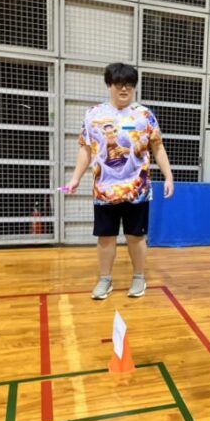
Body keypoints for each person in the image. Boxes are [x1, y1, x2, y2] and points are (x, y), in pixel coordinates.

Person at [66, 63, 174, 300]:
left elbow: (157, 147)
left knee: (136, 236)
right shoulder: (94, 114)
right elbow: (86, 149)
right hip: (105, 190)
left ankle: (139, 277)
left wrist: (168, 176)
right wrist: (75, 178)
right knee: (105, 237)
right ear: (109, 85)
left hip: (138, 189)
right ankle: (105, 280)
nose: (124, 89)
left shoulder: (145, 115)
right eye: (119, 84)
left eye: (129, 85)